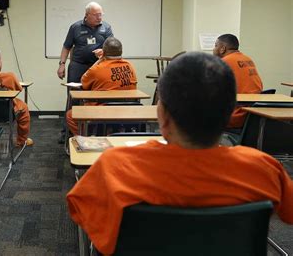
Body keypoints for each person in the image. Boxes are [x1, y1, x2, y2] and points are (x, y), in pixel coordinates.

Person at [66, 52, 293, 255]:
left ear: (162, 115)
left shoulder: (115, 167)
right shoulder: (263, 169)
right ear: (230, 111)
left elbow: (85, 218)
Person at [66, 37, 137, 135]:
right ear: (121, 51)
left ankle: (86, 139)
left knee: (71, 115)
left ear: (104, 52)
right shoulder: (130, 66)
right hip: (127, 107)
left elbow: (84, 82)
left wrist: (99, 60)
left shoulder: (97, 69)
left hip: (103, 109)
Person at [213, 33, 263, 128]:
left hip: (236, 115)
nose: (214, 49)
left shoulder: (224, 62)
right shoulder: (247, 59)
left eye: (215, 45)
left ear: (222, 48)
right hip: (253, 114)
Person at [57, 1, 113, 83]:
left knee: (96, 94)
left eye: (100, 14)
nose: (99, 18)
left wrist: (104, 51)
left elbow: (112, 48)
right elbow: (66, 47)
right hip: (77, 66)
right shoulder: (75, 27)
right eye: (96, 15)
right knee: (74, 93)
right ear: (87, 14)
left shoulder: (106, 27)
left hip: (98, 65)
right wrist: (62, 65)